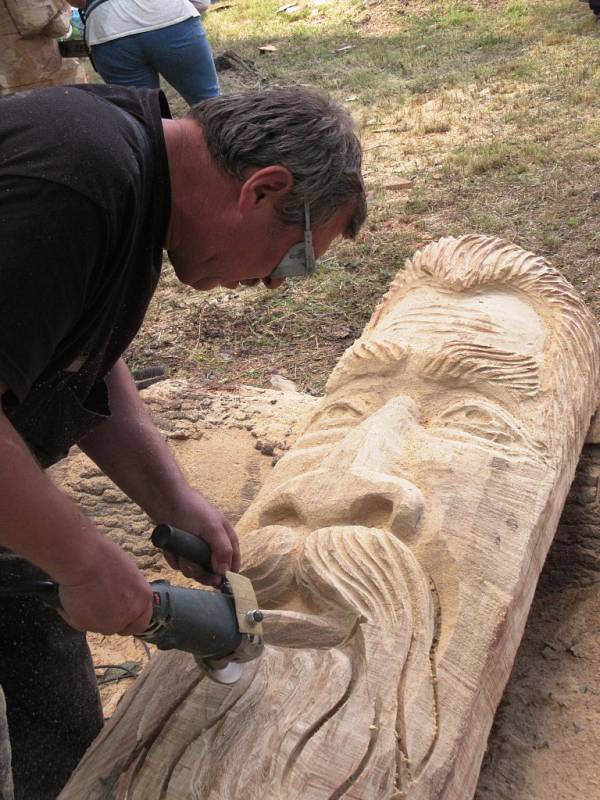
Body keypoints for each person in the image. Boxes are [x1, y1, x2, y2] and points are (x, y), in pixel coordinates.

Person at [0, 83, 366, 799]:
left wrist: (171, 497)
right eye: (294, 260)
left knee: (47, 658)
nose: (271, 284)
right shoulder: (79, 179)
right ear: (263, 190)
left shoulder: (131, 181)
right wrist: (84, 560)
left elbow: (82, 360)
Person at [71, 0, 219, 105]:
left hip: (109, 32)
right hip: (170, 16)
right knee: (210, 103)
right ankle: (228, 147)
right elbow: (202, 3)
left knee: (145, 119)